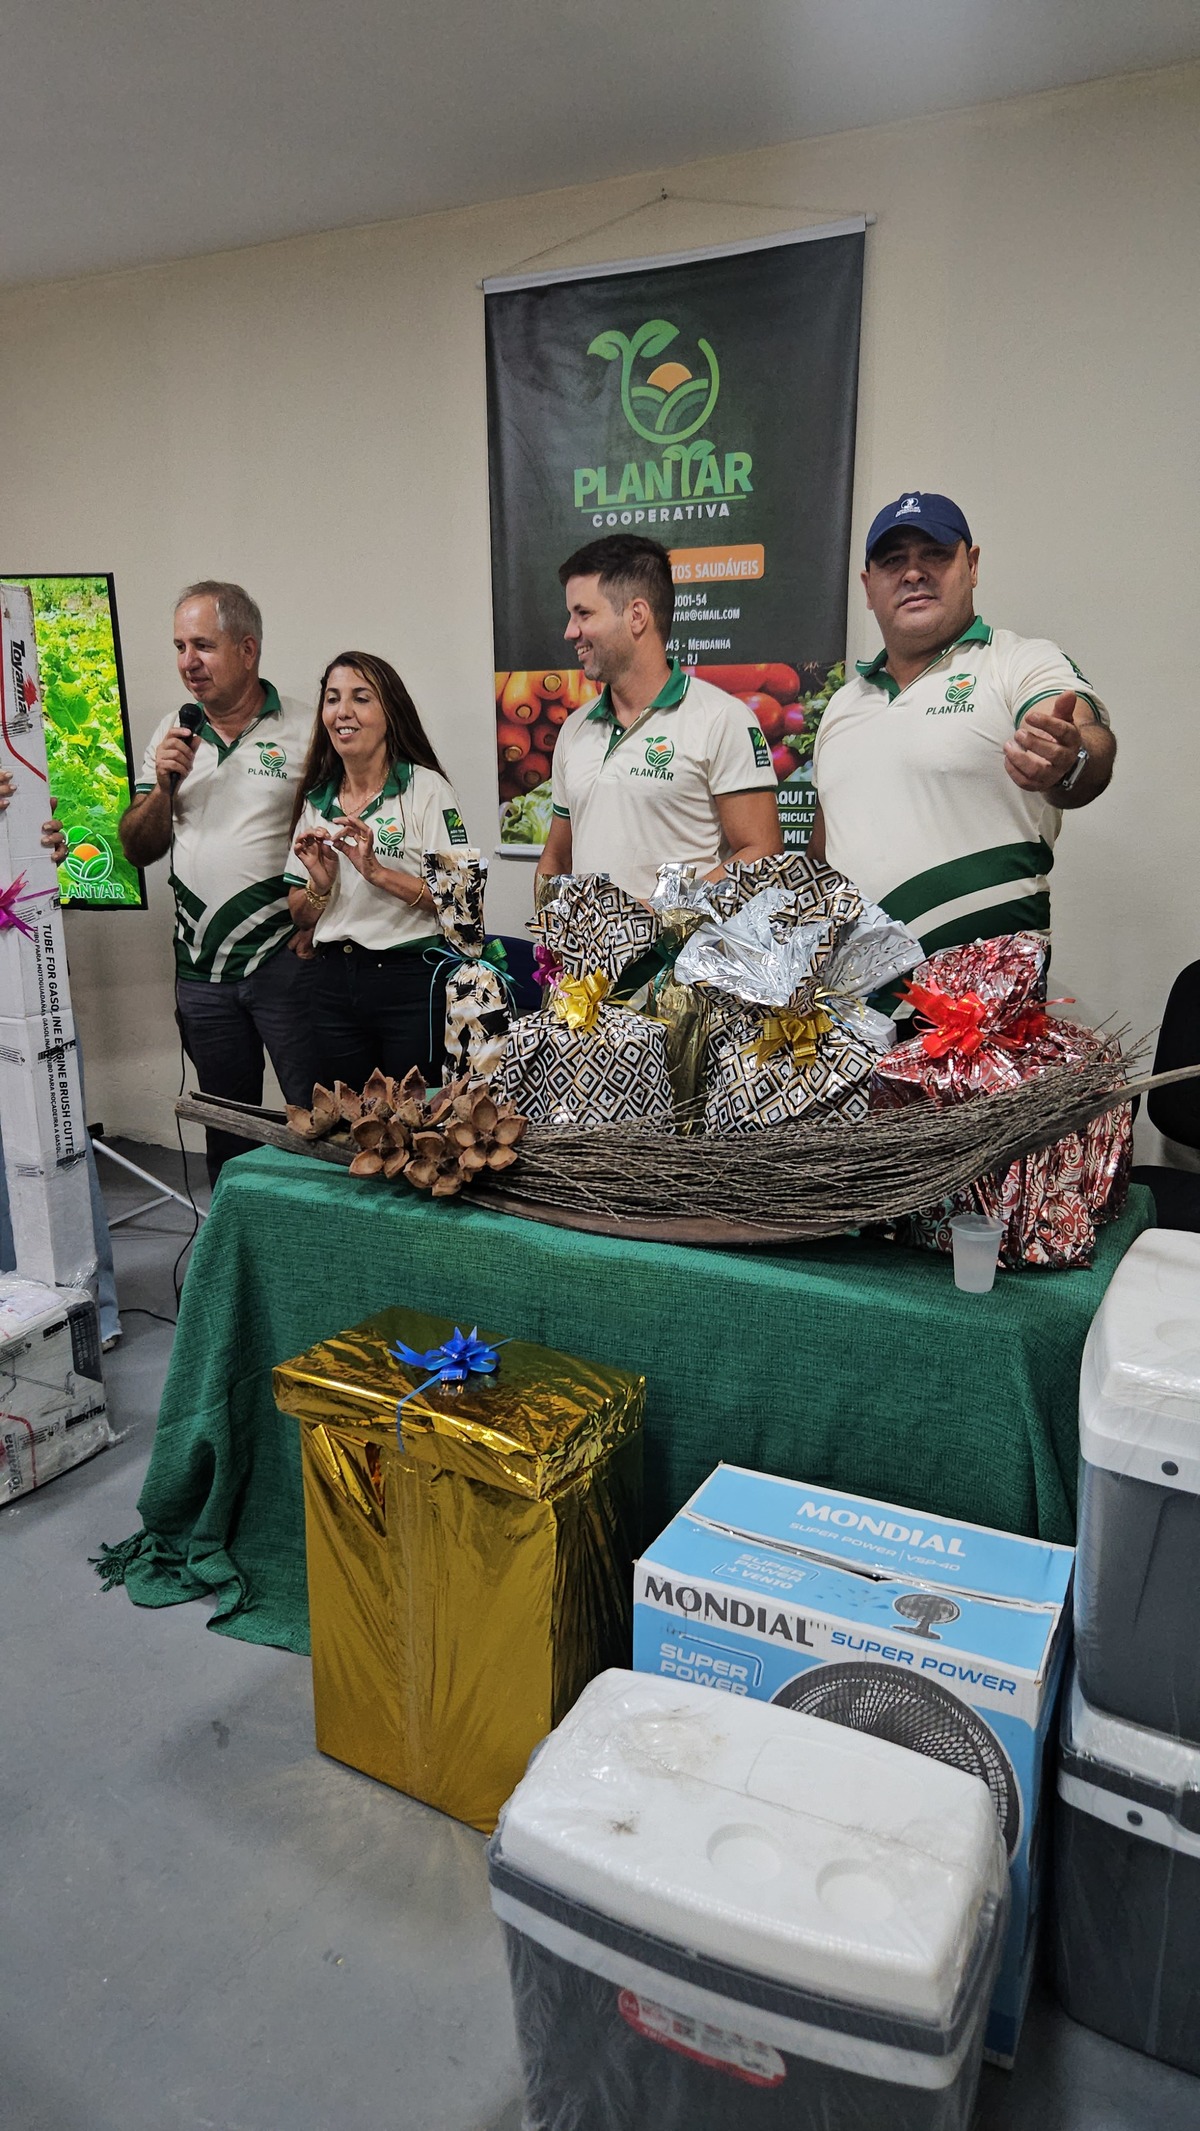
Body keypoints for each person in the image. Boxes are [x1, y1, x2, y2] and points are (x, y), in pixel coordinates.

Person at [809, 492, 1116, 953]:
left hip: (987, 989)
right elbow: (824, 853)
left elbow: (1088, 740)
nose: (913, 573)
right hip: (853, 992)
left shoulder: (1018, 661)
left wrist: (1069, 759)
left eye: (934, 554)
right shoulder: (842, 705)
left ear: (971, 566)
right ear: (868, 587)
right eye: (893, 561)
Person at [119, 582, 320, 1183]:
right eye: (180, 647)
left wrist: (320, 920)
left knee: (319, 1120)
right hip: (201, 972)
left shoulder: (306, 729)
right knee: (227, 1131)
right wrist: (164, 786)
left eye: (203, 645)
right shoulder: (172, 734)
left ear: (248, 649)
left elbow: (337, 834)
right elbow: (138, 847)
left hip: (284, 960)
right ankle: (232, 1237)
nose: (189, 662)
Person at [536, 535, 782, 899]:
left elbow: (761, 853)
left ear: (636, 616)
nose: (570, 632)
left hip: (684, 939)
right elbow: (557, 856)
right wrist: (547, 921)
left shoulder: (722, 718)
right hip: (585, 940)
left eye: (583, 614)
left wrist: (654, 915)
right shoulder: (575, 727)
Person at [284, 652, 469, 1087]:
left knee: (414, 1118)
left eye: (361, 698)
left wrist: (377, 872)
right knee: (345, 1118)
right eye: (333, 699)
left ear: (390, 712)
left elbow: (460, 902)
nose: (342, 712)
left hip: (410, 980)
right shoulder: (317, 799)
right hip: (333, 982)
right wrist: (320, 886)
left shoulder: (426, 789)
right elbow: (300, 915)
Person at [0, 774, 121, 1347]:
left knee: (55, 1132)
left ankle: (82, 1309)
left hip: (23, 964)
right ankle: (18, 1311)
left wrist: (30, 841)